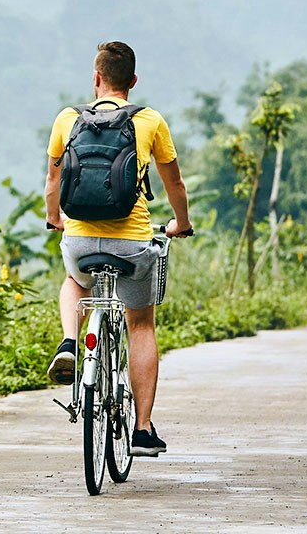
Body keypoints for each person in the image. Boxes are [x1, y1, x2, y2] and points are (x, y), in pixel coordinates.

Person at [44, 40, 191, 457]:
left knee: (74, 280)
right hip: (132, 245)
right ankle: (142, 429)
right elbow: (174, 185)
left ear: (96, 78)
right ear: (133, 81)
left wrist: (56, 219)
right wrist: (181, 223)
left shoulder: (67, 119)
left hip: (80, 240)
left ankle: (71, 343)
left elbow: (53, 183)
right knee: (140, 324)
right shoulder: (150, 121)